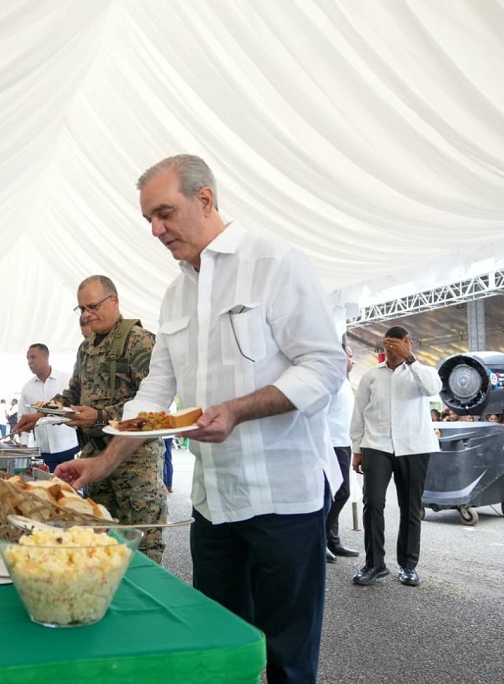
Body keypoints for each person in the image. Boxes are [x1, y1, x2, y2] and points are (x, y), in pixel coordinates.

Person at [55, 155, 344, 683]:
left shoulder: (273, 262)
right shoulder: (176, 295)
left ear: (205, 199)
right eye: (148, 219)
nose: (156, 230)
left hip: (284, 498)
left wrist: (237, 410)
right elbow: (153, 394)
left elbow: (325, 365)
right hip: (214, 501)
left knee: (287, 660)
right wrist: (101, 463)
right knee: (217, 653)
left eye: (164, 213)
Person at [20, 275, 167, 563]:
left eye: (92, 306)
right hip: (94, 460)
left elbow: (153, 405)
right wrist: (42, 413)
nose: (86, 314)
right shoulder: (86, 348)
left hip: (135, 464)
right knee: (102, 542)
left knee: (143, 547)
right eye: (82, 309)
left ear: (114, 301)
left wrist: (100, 416)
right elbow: (74, 392)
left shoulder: (139, 341)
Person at [350, 325, 441, 588]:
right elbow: (359, 413)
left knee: (410, 506)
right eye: (387, 344)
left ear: (407, 342)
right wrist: (357, 449)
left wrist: (410, 358)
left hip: (414, 447)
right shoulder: (370, 376)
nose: (390, 349)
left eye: (395, 344)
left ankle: (408, 566)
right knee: (373, 503)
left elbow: (432, 388)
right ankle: (375, 564)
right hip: (376, 445)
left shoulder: (422, 372)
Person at [17, 343, 80, 471]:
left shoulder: (67, 380)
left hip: (69, 447)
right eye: (28, 358)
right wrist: (23, 445)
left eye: (33, 357)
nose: (30, 362)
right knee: (46, 482)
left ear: (46, 356)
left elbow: (78, 408)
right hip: (43, 451)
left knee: (73, 483)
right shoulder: (27, 388)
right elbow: (22, 417)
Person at [325, 342, 358, 563]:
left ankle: (332, 541)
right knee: (339, 493)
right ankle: (319, 540)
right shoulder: (329, 380)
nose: (352, 360)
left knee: (338, 492)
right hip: (332, 444)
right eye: (349, 356)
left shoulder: (344, 381)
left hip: (344, 442)